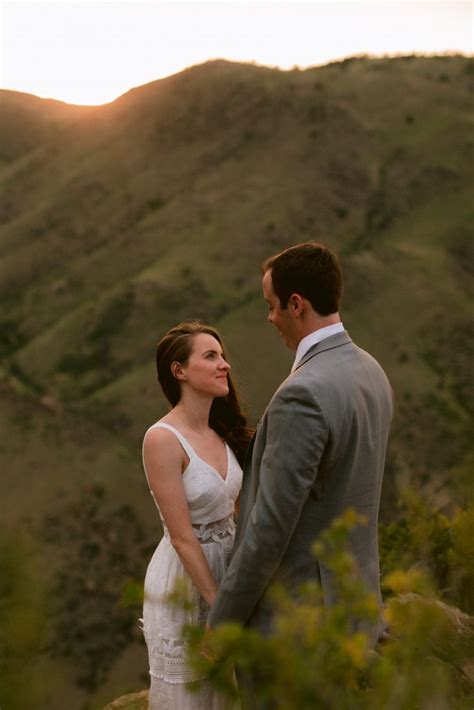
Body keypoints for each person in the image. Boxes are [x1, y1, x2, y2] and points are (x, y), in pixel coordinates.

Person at [208, 242, 393, 665]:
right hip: (355, 606)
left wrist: (223, 622)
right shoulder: (371, 370)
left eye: (271, 306)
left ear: (297, 304)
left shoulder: (302, 395)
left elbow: (269, 528)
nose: (269, 318)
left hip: (299, 624)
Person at [141, 322, 251, 710]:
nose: (225, 365)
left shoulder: (222, 431)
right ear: (179, 371)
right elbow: (182, 535)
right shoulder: (162, 439)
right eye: (211, 356)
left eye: (222, 356)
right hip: (187, 581)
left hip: (228, 572)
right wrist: (220, 604)